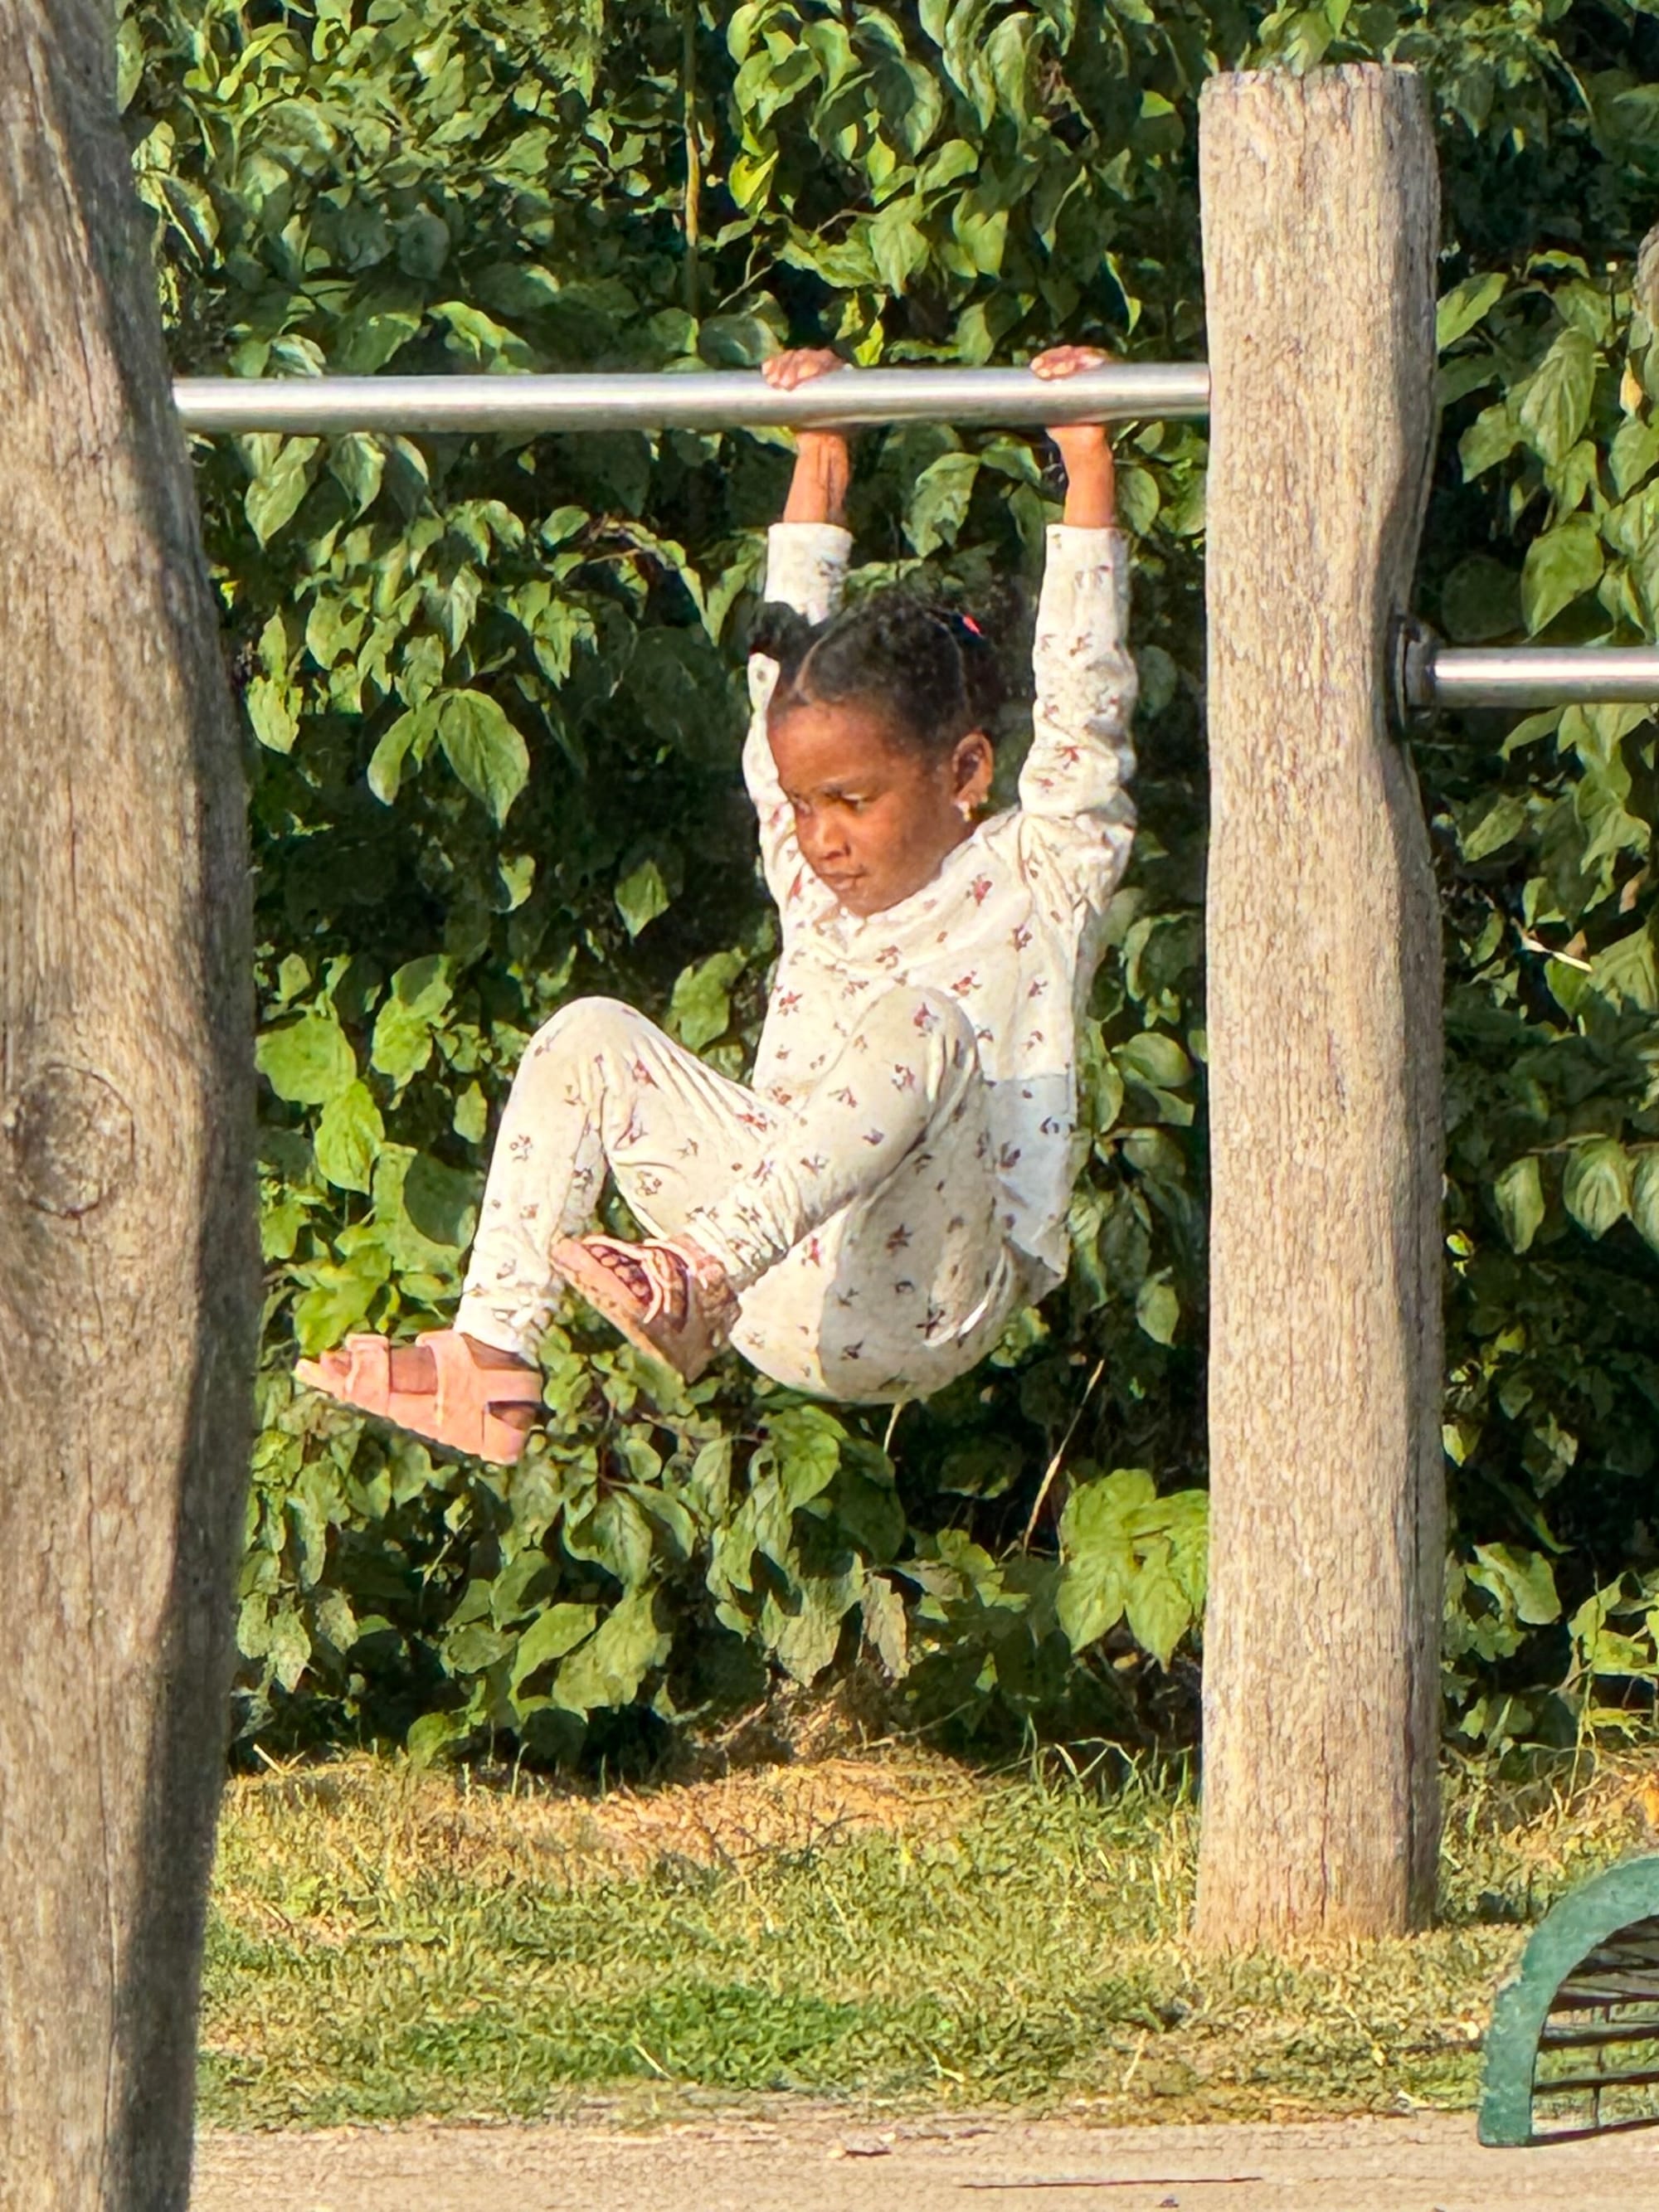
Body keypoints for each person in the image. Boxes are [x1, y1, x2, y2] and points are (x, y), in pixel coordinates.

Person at [297, 344, 1137, 1463]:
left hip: (930, 1290)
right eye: (806, 805)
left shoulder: (1042, 872)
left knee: (924, 1024)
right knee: (588, 1037)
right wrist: (821, 453)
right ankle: (492, 1357)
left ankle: (696, 1270)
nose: (822, 838)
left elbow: (1086, 713)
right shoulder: (809, 869)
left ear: (967, 773)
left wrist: (1089, 458)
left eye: (853, 802)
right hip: (774, 1285)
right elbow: (776, 689)